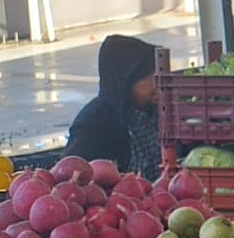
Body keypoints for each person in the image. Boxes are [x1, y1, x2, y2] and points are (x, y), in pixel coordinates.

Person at [63, 35, 163, 180]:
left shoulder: (162, 111)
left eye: (158, 75)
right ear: (124, 82)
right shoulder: (94, 124)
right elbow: (70, 176)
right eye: (147, 78)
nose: (157, 84)